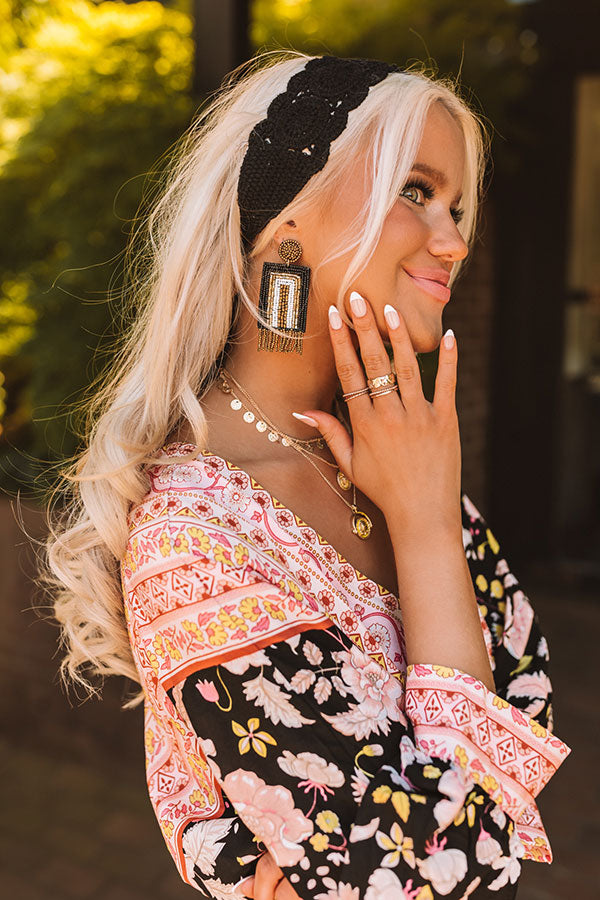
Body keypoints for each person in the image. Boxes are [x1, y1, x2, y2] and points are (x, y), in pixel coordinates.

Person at [45, 51, 572, 899]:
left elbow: (535, 699)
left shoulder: (399, 467)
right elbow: (434, 870)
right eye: (415, 190)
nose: (455, 239)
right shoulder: (196, 539)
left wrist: (427, 518)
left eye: (458, 205)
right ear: (286, 229)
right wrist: (433, 534)